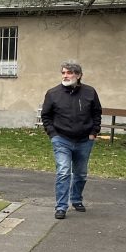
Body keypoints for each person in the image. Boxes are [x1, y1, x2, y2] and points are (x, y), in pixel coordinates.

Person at [40, 61, 102, 220]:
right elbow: (46, 116)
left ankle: (76, 199)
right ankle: (61, 207)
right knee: (63, 172)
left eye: (69, 73)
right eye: (63, 73)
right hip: (61, 139)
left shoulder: (90, 92)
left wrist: (93, 132)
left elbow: (96, 113)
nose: (65, 76)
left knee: (80, 174)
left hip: (84, 140)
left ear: (78, 75)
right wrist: (53, 134)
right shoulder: (53, 93)